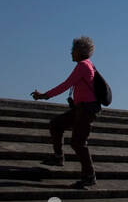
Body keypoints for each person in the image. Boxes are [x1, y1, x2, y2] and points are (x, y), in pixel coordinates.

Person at [32, 36, 100, 188]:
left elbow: (65, 85)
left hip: (86, 109)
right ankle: (58, 157)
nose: (70, 53)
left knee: (78, 142)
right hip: (80, 109)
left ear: (79, 51)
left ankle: (89, 176)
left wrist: (44, 95)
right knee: (56, 124)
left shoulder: (83, 66)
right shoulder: (86, 65)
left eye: (72, 50)